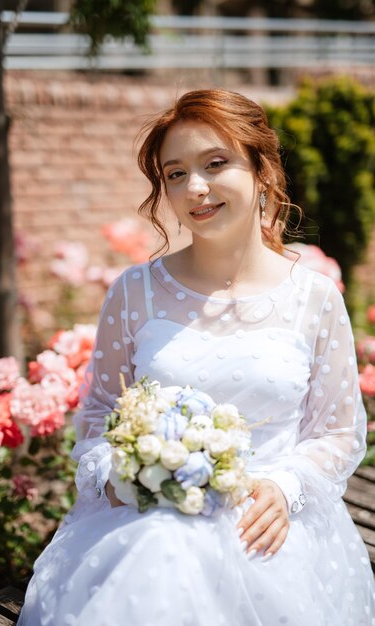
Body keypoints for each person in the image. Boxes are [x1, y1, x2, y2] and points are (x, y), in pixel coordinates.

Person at [18, 89, 375, 626]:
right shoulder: (133, 292)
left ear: (262, 169)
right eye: (175, 173)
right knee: (163, 551)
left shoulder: (315, 297)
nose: (196, 188)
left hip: (267, 525)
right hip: (148, 521)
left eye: (215, 164)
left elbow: (338, 431)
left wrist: (285, 486)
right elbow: (96, 417)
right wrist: (123, 477)